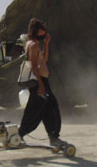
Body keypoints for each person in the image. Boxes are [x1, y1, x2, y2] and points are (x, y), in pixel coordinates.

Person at [18, 18, 64, 147]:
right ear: (37, 31)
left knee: (45, 110)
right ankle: (19, 134)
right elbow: (34, 65)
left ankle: (53, 136)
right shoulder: (32, 45)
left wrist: (46, 44)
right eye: (43, 29)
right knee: (40, 110)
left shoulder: (34, 44)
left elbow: (44, 59)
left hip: (42, 81)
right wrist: (41, 84)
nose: (45, 31)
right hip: (40, 82)